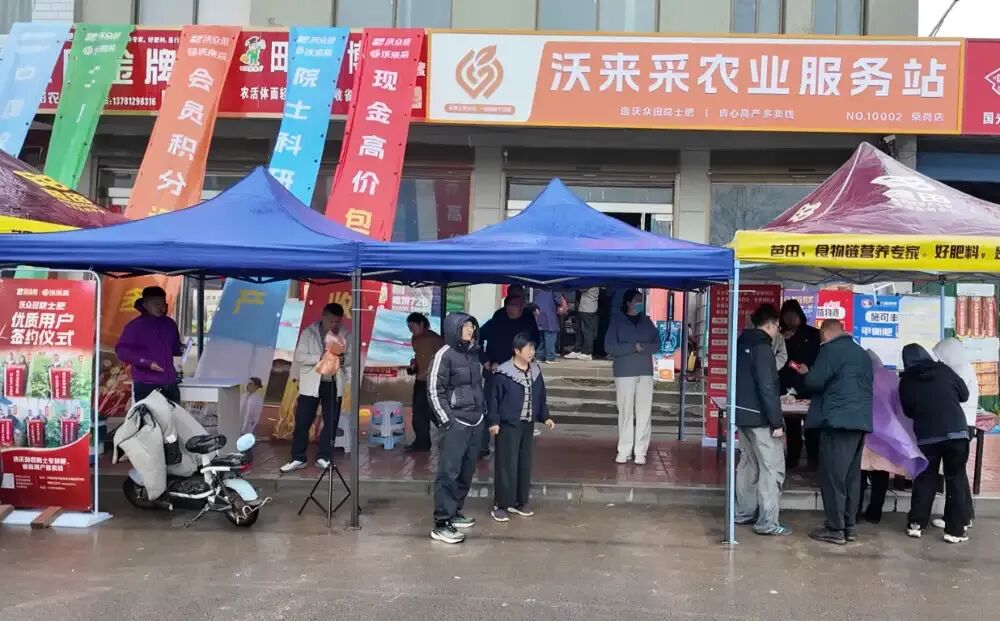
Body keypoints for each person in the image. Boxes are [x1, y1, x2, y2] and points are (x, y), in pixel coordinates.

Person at [795, 319, 873, 545]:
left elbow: (814, 381)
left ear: (826, 335)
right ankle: (849, 526)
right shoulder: (862, 354)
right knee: (851, 477)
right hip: (860, 422)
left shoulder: (831, 350)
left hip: (838, 422)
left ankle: (835, 528)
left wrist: (806, 372)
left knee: (832, 476)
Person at [899, 343, 971, 543]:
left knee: (925, 477)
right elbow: (964, 395)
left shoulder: (906, 381)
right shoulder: (943, 370)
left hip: (927, 436)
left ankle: (916, 524)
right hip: (956, 434)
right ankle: (954, 531)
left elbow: (908, 411)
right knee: (955, 480)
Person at [733, 304, 791, 536]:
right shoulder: (763, 348)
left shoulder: (741, 343)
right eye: (777, 326)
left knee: (748, 465)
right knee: (771, 468)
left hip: (742, 414)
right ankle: (767, 522)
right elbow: (767, 387)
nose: (778, 331)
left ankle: (743, 512)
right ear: (771, 324)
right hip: (761, 418)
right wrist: (776, 422)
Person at [428, 313, 486, 544]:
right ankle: (442, 523)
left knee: (466, 471)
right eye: (466, 326)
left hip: (475, 421)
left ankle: (454, 511)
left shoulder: (473, 354)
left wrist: (482, 414)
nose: (471, 329)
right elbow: (434, 390)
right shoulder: (444, 355)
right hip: (456, 423)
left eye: (472, 326)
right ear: (455, 329)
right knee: (448, 473)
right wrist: (448, 421)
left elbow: (477, 386)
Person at [487, 332, 556, 522]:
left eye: (533, 348)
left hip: (527, 424)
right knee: (506, 465)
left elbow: (541, 396)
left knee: (524, 464)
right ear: (517, 351)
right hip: (508, 425)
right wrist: (494, 421)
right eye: (528, 349)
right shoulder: (503, 372)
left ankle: (519, 502)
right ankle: (501, 505)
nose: (531, 352)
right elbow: (493, 399)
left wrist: (545, 417)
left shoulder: (535, 370)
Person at [858, 350, 927, 524]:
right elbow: (899, 404)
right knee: (881, 475)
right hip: (887, 433)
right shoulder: (890, 377)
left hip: (865, 430)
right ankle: (875, 513)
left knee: (859, 474)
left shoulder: (860, 375)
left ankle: (854, 511)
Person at [280, 303, 351, 473]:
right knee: (303, 421)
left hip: (333, 383)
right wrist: (320, 357)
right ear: (323, 317)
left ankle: (323, 457)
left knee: (331, 421)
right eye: (331, 321)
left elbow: (351, 357)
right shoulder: (309, 333)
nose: (334, 325)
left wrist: (341, 360)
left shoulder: (345, 334)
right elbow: (300, 357)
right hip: (311, 383)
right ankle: (298, 458)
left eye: (338, 321)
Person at [478, 295, 540, 458]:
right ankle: (483, 446)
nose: (515, 308)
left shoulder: (527, 323)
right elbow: (477, 338)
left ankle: (511, 446)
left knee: (514, 411)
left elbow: (535, 342)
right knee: (489, 407)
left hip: (517, 375)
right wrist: (485, 360)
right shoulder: (497, 320)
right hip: (494, 372)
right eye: (512, 305)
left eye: (518, 305)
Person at [605, 289, 660, 465]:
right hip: (624, 372)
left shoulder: (647, 322)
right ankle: (624, 450)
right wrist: (631, 347)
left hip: (645, 372)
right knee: (625, 411)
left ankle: (640, 451)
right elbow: (609, 347)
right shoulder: (617, 321)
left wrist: (641, 347)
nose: (640, 303)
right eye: (637, 300)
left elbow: (657, 344)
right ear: (628, 302)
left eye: (641, 300)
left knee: (644, 412)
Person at [933, 337, 978, 529]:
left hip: (959, 425)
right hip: (964, 425)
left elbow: (949, 398)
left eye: (941, 356)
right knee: (958, 474)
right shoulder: (964, 368)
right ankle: (964, 516)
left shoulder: (960, 371)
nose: (939, 360)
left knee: (954, 475)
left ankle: (956, 519)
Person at [115, 286, 184, 404]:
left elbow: (175, 349)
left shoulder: (170, 324)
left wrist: (182, 348)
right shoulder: (135, 326)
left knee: (173, 415)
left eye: (163, 304)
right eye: (157, 304)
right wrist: (146, 362)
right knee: (149, 416)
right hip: (146, 384)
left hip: (170, 383)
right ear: (145, 304)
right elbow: (122, 351)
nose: (161, 307)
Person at [778, 299, 821, 470]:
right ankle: (793, 458)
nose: (790, 319)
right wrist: (781, 339)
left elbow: (821, 358)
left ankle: (813, 459)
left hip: (808, 385)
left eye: (793, 314)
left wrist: (809, 367)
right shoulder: (780, 336)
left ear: (800, 315)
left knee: (811, 425)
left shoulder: (813, 334)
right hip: (787, 385)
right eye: (786, 315)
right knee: (792, 425)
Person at [406, 312, 444, 453]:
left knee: (433, 412)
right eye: (409, 327)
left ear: (421, 324)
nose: (411, 329)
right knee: (418, 414)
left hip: (433, 381)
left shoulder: (434, 338)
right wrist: (414, 363)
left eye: (412, 326)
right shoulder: (414, 339)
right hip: (420, 381)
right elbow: (419, 356)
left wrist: (430, 372)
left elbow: (443, 359)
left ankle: (449, 437)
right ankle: (422, 442)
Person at [531, 288, 565, 363]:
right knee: (550, 335)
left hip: (538, 311)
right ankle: (550, 357)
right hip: (549, 312)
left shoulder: (536, 285)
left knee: (540, 335)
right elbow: (558, 299)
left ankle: (539, 356)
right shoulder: (554, 284)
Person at [566, 287, 599, 361]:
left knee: (587, 331)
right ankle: (577, 350)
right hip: (584, 308)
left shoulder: (592, 281)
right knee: (580, 330)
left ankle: (587, 353)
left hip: (588, 309)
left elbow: (581, 288)